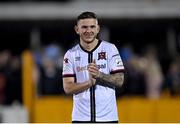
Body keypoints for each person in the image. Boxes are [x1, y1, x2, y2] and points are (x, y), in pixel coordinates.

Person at [62, 11, 125, 123]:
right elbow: (67, 87)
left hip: (108, 118)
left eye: (92, 27)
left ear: (98, 28)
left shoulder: (110, 49)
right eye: (84, 27)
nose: (89, 31)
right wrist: (89, 83)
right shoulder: (70, 54)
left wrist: (99, 75)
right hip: (80, 119)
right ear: (77, 29)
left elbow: (120, 80)